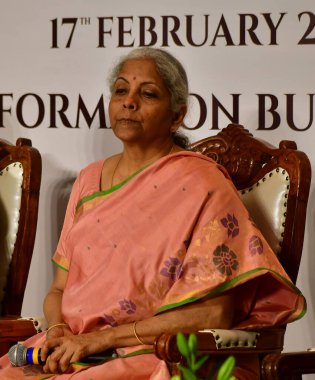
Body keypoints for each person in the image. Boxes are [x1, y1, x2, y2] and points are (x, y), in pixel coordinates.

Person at [0, 47, 306, 380]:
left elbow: (216, 312)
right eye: (121, 91)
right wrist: (58, 329)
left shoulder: (202, 183)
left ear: (177, 116)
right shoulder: (89, 180)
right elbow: (58, 290)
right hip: (72, 348)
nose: (129, 101)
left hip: (154, 352)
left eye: (147, 94)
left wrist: (101, 339)